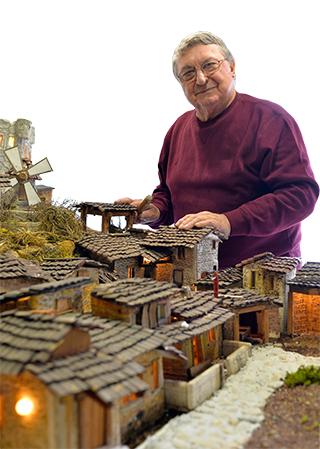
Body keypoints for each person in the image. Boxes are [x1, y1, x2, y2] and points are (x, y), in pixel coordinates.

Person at [116, 31, 319, 269]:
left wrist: (227, 221)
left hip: (262, 273)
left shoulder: (272, 120)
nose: (200, 79)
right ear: (181, 83)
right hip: (193, 271)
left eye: (209, 65)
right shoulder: (178, 129)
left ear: (232, 68)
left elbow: (300, 196)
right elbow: (169, 194)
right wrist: (154, 211)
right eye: (188, 73)